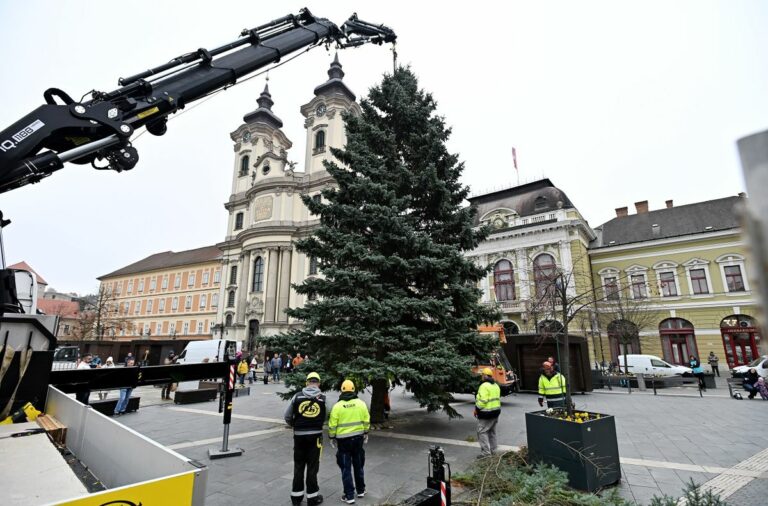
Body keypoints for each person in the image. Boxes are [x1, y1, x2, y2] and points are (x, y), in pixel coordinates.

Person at [284, 372, 326, 506]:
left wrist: (295, 426)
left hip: (299, 437)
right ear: (318, 383)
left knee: (298, 466)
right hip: (316, 437)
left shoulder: (297, 396)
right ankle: (312, 498)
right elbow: (327, 416)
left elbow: (287, 416)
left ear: (307, 382)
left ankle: (296, 498)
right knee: (313, 467)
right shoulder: (323, 398)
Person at [329, 380, 370, 504]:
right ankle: (361, 490)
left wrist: (331, 437)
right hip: (358, 439)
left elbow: (332, 424)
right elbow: (366, 420)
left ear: (342, 390)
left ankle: (349, 495)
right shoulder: (361, 403)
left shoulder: (337, 406)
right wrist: (366, 433)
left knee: (346, 468)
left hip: (343, 442)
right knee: (359, 465)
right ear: (353, 389)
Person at [474, 368, 501, 458]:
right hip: (496, 412)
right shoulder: (496, 385)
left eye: (482, 375)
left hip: (486, 413)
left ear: (485, 376)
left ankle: (486, 453)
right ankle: (494, 451)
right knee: (492, 432)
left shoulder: (484, 386)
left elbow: (483, 400)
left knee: (482, 432)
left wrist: (477, 408)